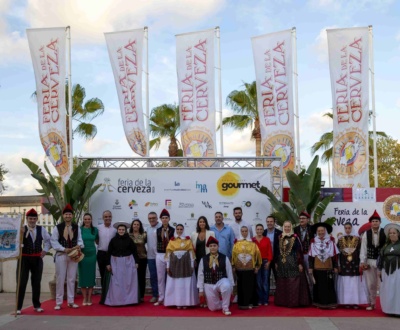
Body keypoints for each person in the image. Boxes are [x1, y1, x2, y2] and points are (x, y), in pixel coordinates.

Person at [17, 208, 51, 315]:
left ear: (37, 219)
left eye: (34, 218)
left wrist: (45, 250)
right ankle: (18, 307)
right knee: (21, 283)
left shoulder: (42, 230)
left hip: (37, 259)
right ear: (27, 219)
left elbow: (49, 241)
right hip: (24, 259)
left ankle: (37, 305)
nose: (32, 220)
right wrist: (20, 235)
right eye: (30, 218)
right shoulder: (21, 229)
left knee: (36, 283)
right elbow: (15, 243)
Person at [51, 204, 84, 310]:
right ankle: (59, 302)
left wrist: (78, 246)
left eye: (70, 214)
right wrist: (64, 249)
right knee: (60, 278)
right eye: (66, 214)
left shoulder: (76, 227)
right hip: (61, 255)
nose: (68, 216)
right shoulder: (57, 228)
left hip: (73, 255)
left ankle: (71, 301)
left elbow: (80, 240)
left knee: (71, 278)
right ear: (63, 215)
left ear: (72, 216)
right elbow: (54, 241)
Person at [274, 221, 311, 307]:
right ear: (283, 227)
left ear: (291, 228)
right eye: (285, 227)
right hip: (282, 264)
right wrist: (276, 262)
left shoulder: (295, 237)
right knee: (283, 282)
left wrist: (300, 263)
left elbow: (298, 251)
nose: (287, 228)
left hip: (293, 263)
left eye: (288, 227)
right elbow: (276, 251)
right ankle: (283, 302)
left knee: (293, 281)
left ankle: (293, 302)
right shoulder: (280, 237)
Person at [104, 221, 139, 306]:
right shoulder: (113, 240)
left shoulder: (130, 240)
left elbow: (134, 251)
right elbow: (109, 252)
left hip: (128, 262)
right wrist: (108, 264)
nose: (121, 231)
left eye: (123, 230)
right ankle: (116, 300)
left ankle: (129, 300)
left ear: (125, 230)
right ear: (117, 230)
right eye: (120, 229)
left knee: (128, 282)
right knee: (116, 282)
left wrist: (136, 262)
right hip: (115, 262)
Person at [197, 236, 234, 315]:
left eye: (214, 246)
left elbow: (229, 272)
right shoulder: (203, 259)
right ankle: (224, 302)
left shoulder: (225, 258)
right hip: (209, 283)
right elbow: (200, 275)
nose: (213, 248)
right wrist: (201, 290)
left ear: (218, 246)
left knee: (227, 285)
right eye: (211, 246)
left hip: (221, 281)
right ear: (208, 247)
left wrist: (232, 287)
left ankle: (225, 308)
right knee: (213, 308)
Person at [164, 224, 199, 308]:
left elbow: (191, 254)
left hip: (186, 264)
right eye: (178, 229)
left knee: (185, 284)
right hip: (174, 264)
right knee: (176, 284)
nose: (179, 231)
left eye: (181, 229)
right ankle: (176, 302)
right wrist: (167, 267)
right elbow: (168, 254)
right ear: (175, 230)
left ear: (183, 230)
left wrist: (191, 265)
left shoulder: (188, 240)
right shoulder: (172, 241)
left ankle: (186, 302)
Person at [336, 222, 368, 308]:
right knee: (346, 283)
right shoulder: (340, 239)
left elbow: (361, 252)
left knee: (354, 283)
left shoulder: (357, 239)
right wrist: (338, 265)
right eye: (346, 228)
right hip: (343, 265)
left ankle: (355, 302)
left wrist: (362, 262)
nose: (347, 230)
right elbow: (337, 254)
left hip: (355, 264)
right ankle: (346, 302)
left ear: (352, 228)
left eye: (349, 228)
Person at [360, 210, 386, 311]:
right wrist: (363, 261)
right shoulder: (366, 234)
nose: (375, 223)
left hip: (381, 262)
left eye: (377, 221)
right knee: (371, 284)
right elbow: (363, 248)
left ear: (380, 222)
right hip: (370, 261)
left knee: (382, 284)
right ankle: (372, 303)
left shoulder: (385, 232)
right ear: (370, 223)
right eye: (373, 221)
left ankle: (384, 305)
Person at [308, 222, 338, 309]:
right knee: (319, 286)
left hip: (328, 267)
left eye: (322, 231)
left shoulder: (331, 241)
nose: (321, 232)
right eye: (319, 231)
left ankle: (330, 303)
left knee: (329, 286)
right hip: (317, 267)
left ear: (325, 231)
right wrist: (310, 267)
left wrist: (335, 266)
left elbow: (334, 255)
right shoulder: (313, 242)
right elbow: (311, 256)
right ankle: (319, 303)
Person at [231, 226, 262, 309]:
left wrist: (257, 266)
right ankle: (242, 304)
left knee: (250, 285)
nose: (244, 233)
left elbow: (258, 255)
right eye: (242, 231)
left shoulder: (253, 243)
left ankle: (251, 302)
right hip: (240, 269)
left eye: (245, 231)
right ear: (240, 232)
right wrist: (233, 265)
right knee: (241, 286)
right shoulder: (236, 243)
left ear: (248, 232)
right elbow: (233, 255)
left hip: (250, 269)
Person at [378, 223, 400, 316]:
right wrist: (379, 270)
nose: (392, 235)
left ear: (398, 234)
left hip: (398, 271)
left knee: (397, 290)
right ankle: (389, 310)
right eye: (390, 233)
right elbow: (381, 257)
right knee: (388, 289)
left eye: (394, 233)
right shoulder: (386, 246)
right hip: (386, 271)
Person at [154, 209, 175, 306]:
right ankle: (161, 297)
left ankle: (171, 297)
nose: (165, 220)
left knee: (171, 277)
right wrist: (157, 254)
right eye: (163, 218)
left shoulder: (174, 230)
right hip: (160, 254)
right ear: (160, 219)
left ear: (169, 219)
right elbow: (154, 244)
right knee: (160, 277)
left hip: (170, 255)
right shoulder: (157, 230)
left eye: (166, 218)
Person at [78, 213, 99, 306]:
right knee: (82, 277)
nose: (87, 221)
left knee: (91, 276)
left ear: (91, 220)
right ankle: (84, 298)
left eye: (89, 219)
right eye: (85, 219)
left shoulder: (95, 230)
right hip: (82, 255)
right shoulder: (80, 230)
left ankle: (90, 298)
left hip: (92, 255)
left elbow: (97, 241)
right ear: (83, 220)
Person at [97, 210, 116, 299]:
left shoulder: (115, 229)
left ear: (111, 217)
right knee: (102, 275)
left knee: (113, 275)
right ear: (102, 218)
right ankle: (104, 295)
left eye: (109, 216)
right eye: (106, 217)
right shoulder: (98, 228)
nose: (107, 218)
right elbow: (96, 240)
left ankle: (112, 294)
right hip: (101, 254)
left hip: (112, 255)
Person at [263, 215, 282, 300]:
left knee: (278, 279)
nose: (269, 223)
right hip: (266, 260)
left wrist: (278, 261)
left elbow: (281, 248)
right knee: (265, 280)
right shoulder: (263, 232)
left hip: (276, 260)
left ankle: (279, 297)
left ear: (274, 223)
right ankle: (265, 298)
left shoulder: (280, 233)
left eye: (271, 221)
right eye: (268, 221)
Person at [294, 211, 314, 293]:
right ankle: (303, 296)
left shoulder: (312, 228)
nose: (301, 220)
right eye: (300, 218)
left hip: (309, 255)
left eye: (303, 218)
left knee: (311, 275)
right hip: (299, 256)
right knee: (300, 276)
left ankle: (313, 295)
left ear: (307, 220)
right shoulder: (295, 229)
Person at [253, 224, 273, 306]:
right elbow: (252, 253)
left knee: (265, 282)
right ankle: (259, 299)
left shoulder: (267, 239)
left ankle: (265, 300)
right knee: (258, 282)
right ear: (255, 230)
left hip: (265, 261)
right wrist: (254, 265)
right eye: (258, 229)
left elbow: (269, 251)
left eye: (261, 229)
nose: (259, 231)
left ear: (263, 230)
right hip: (257, 262)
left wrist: (269, 262)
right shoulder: (252, 240)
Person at [129, 219, 147, 302]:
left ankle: (141, 296)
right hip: (131, 259)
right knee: (131, 278)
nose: (136, 226)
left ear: (140, 226)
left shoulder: (144, 235)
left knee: (141, 278)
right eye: (134, 224)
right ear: (132, 225)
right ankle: (132, 296)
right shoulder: (128, 235)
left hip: (142, 259)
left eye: (138, 224)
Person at [146, 211, 161, 303]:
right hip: (150, 257)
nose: (152, 220)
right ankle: (155, 295)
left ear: (157, 218)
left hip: (161, 256)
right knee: (153, 276)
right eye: (150, 218)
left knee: (163, 277)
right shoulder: (147, 229)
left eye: (153, 218)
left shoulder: (162, 227)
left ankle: (164, 295)